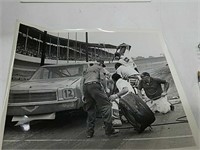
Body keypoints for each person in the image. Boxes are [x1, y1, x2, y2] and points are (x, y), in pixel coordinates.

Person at [82, 63, 119, 138]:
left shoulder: (86, 70)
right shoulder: (99, 68)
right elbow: (102, 79)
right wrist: (105, 89)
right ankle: (109, 130)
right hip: (95, 85)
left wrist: (83, 94)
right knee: (106, 106)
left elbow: (82, 82)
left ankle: (89, 132)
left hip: (86, 87)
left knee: (90, 110)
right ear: (101, 65)